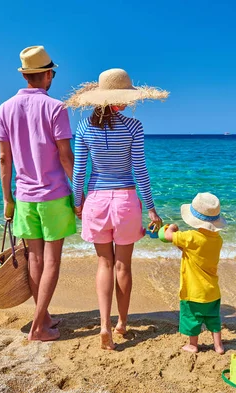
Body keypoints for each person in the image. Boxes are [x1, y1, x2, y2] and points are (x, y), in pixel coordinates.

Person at [65, 68, 168, 350]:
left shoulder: (85, 127)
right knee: (123, 264)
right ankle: (122, 322)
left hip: (96, 201)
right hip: (125, 201)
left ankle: (104, 326)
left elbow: (80, 173)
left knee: (104, 264)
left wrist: (77, 202)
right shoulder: (134, 127)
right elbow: (140, 170)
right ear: (119, 100)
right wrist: (151, 209)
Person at [0, 46, 77, 341]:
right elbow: (66, 156)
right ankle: (39, 326)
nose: (52, 76)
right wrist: (79, 192)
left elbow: (5, 160)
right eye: (52, 72)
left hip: (25, 196)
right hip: (53, 195)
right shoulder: (56, 108)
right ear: (45, 75)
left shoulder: (4, 108)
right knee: (52, 261)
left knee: (35, 260)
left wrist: (8, 198)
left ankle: (43, 316)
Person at [162, 192, 226, 354]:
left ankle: (193, 345)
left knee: (192, 318)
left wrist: (171, 227)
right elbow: (196, 250)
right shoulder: (217, 240)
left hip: (193, 291)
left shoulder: (189, 237)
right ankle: (218, 346)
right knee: (213, 319)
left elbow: (168, 236)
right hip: (212, 291)